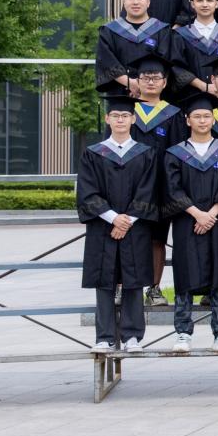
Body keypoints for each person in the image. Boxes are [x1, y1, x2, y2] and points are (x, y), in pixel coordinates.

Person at [80, 92, 160, 352]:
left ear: (133, 119)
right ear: (107, 119)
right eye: (115, 115)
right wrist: (114, 218)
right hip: (103, 226)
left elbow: (149, 190)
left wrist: (127, 220)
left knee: (133, 281)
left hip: (135, 227)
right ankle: (103, 337)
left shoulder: (146, 154)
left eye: (125, 115)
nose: (120, 120)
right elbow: (87, 192)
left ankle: (132, 337)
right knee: (104, 280)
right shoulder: (93, 154)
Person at [162, 96, 218, 352]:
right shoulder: (175, 154)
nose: (202, 121)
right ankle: (183, 332)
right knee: (184, 273)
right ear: (188, 120)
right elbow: (172, 188)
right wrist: (197, 214)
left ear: (213, 119)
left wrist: (211, 214)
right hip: (187, 221)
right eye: (197, 116)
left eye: (206, 116)